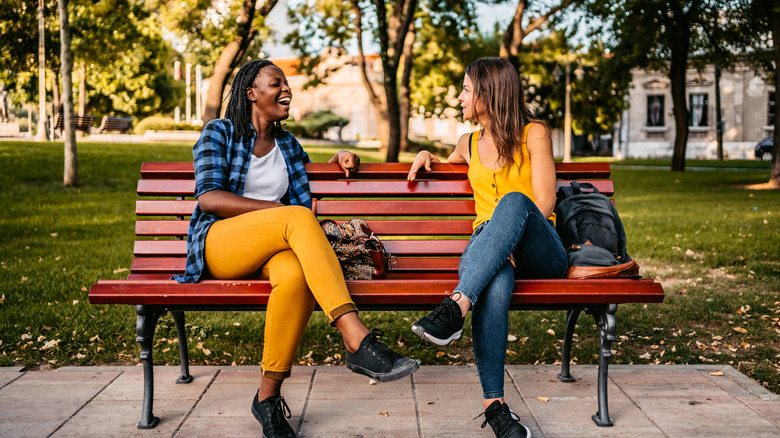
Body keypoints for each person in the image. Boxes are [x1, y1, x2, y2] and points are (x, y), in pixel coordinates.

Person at [175, 59, 418, 437]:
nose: (286, 90)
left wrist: (337, 160)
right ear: (251, 93)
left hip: (271, 252)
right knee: (296, 217)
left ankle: (267, 400)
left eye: (287, 84)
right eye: (276, 84)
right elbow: (209, 198)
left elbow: (302, 186)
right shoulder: (218, 132)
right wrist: (276, 212)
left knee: (295, 275)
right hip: (221, 245)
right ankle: (355, 335)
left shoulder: (287, 144)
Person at [407, 57, 567, 438]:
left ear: (489, 92)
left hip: (539, 246)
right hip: (490, 250)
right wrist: (428, 155)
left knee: (513, 201)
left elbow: (544, 201)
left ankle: (455, 307)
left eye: (465, 89)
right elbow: (446, 164)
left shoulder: (535, 133)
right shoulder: (467, 142)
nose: (459, 97)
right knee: (494, 282)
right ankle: (494, 406)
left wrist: (509, 238)